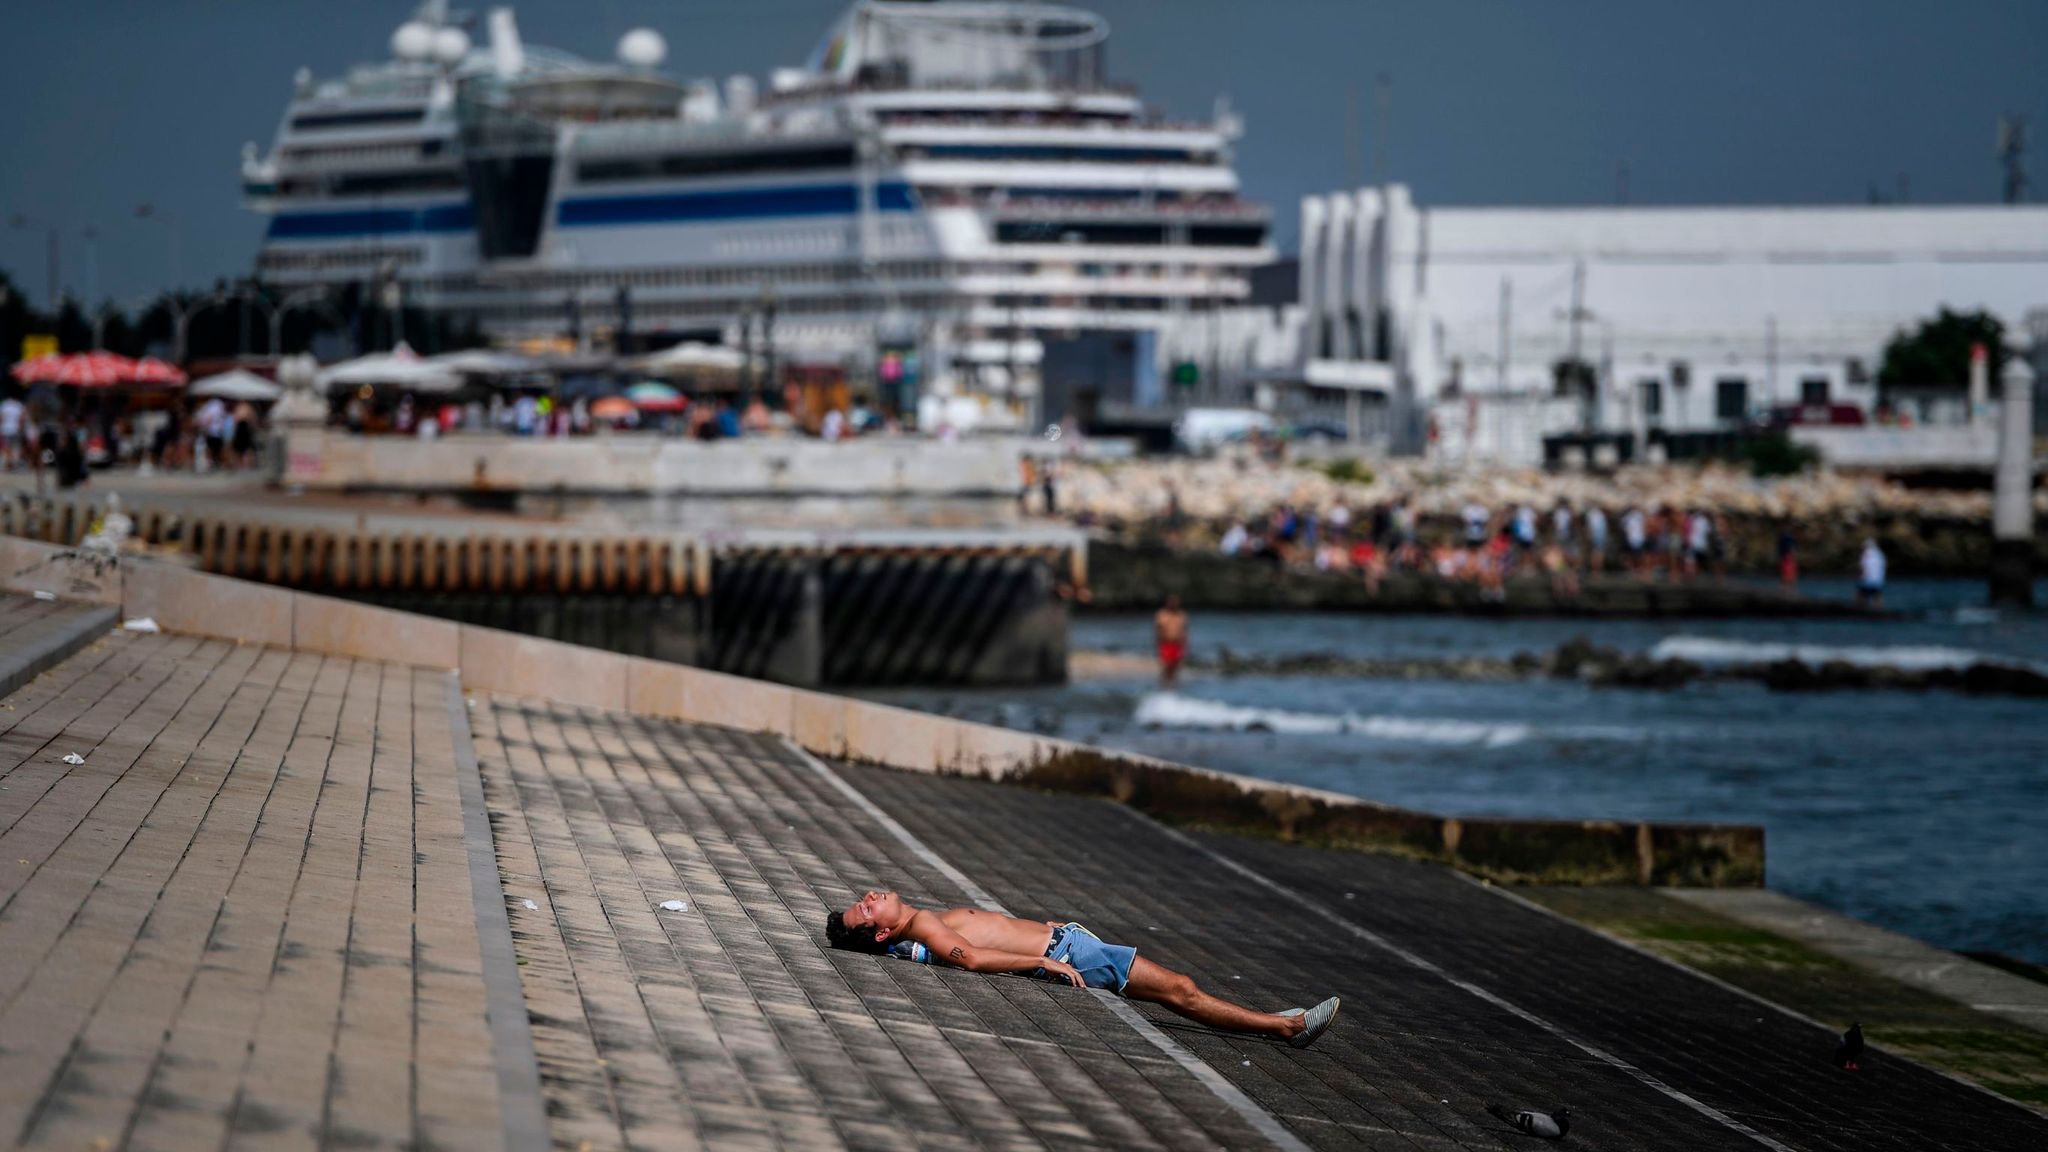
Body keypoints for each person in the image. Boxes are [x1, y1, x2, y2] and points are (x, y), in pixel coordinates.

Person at [826, 889, 1340, 1048]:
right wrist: (1041, 958)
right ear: (881, 932)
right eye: (866, 910)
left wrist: (1043, 933)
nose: (869, 897)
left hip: (1069, 942)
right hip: (1073, 954)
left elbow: (979, 939)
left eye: (863, 900)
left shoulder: (916, 929)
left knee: (1177, 990)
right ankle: (1286, 1027)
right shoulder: (922, 926)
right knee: (1179, 989)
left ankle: (1277, 1022)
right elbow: (973, 958)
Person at [1154, 594, 1188, 687]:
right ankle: (1163, 685)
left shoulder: (1182, 615)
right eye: (1171, 601)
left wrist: (1185, 646)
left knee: (1176, 666)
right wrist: (1157, 645)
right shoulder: (1161, 614)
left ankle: (1174, 686)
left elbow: (1185, 631)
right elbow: (1157, 631)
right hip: (1165, 643)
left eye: (1175, 602)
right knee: (1166, 666)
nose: (1173, 604)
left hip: (1177, 644)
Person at [1858, 538, 1886, 609]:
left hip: (1867, 580)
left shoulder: (1866, 554)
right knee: (1877, 596)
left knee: (1861, 595)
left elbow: (1863, 567)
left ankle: (1861, 609)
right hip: (1878, 580)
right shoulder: (1880, 554)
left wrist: (1861, 576)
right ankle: (1879, 610)